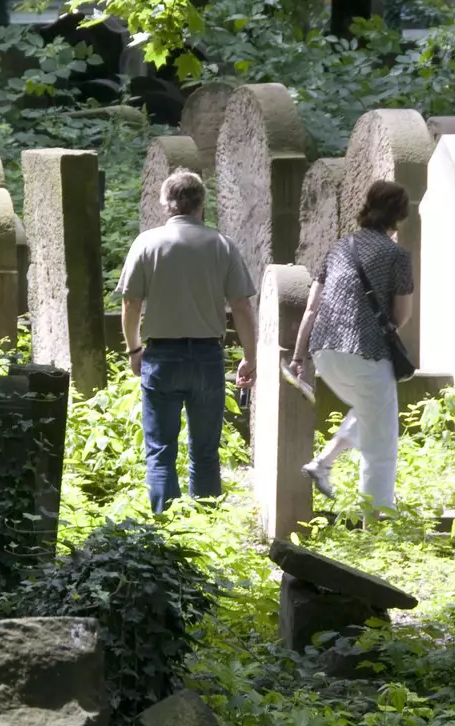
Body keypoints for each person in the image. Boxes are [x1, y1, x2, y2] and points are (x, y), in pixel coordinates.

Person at [117, 170, 258, 512]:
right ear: (202, 203)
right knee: (206, 450)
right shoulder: (221, 244)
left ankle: (166, 531)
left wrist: (134, 349)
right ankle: (206, 524)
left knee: (161, 450)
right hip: (207, 355)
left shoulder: (146, 244)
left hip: (162, 356)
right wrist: (249, 357)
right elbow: (241, 306)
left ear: (166, 204)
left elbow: (131, 303)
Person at [290, 179, 414, 509]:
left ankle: (323, 464)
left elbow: (312, 307)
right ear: (398, 216)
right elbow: (402, 316)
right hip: (367, 352)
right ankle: (378, 521)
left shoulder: (339, 248)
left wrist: (299, 357)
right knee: (381, 446)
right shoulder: (396, 256)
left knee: (369, 411)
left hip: (324, 352)